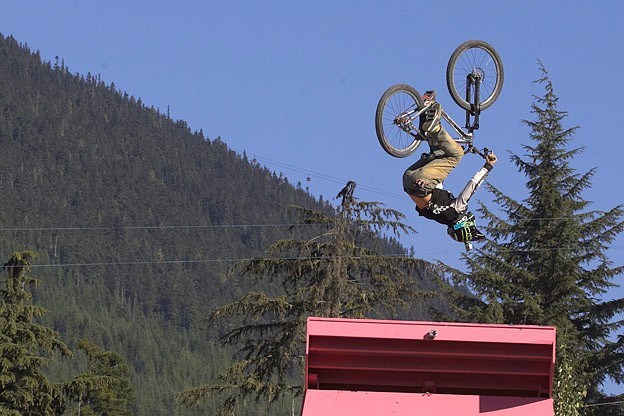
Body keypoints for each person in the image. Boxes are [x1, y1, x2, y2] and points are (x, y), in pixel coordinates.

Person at [402, 90, 497, 244]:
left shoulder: (457, 210)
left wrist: (488, 165)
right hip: (408, 181)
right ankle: (425, 109)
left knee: (457, 154)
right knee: (440, 153)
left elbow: (473, 185)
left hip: (422, 183)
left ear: (464, 224)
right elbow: (437, 182)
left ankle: (435, 128)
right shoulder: (440, 216)